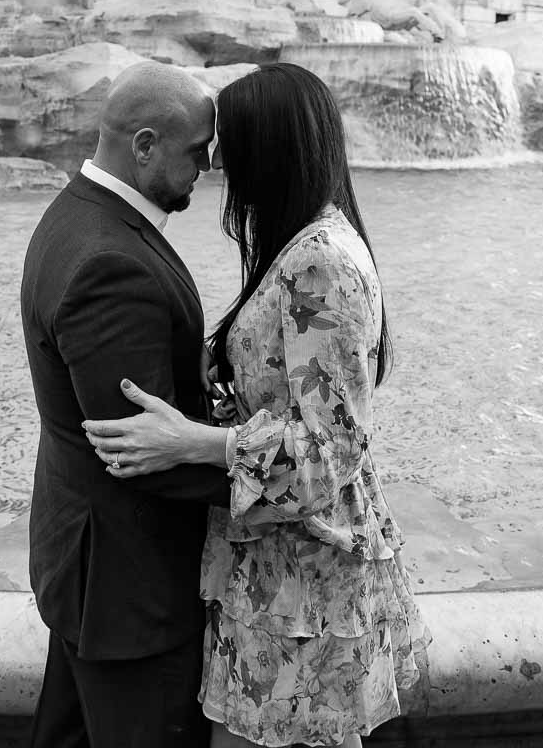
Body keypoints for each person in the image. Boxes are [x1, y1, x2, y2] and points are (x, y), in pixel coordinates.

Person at [85, 62, 430, 748]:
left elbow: (331, 451)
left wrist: (192, 442)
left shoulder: (319, 263)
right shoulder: (306, 244)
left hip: (303, 584)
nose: (216, 166)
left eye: (228, 148)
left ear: (267, 150)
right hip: (286, 571)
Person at [21, 62, 232, 748]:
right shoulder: (110, 263)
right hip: (129, 594)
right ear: (145, 145)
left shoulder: (77, 212)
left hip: (88, 566)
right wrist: (275, 472)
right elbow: (143, 456)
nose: (208, 164)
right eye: (197, 151)